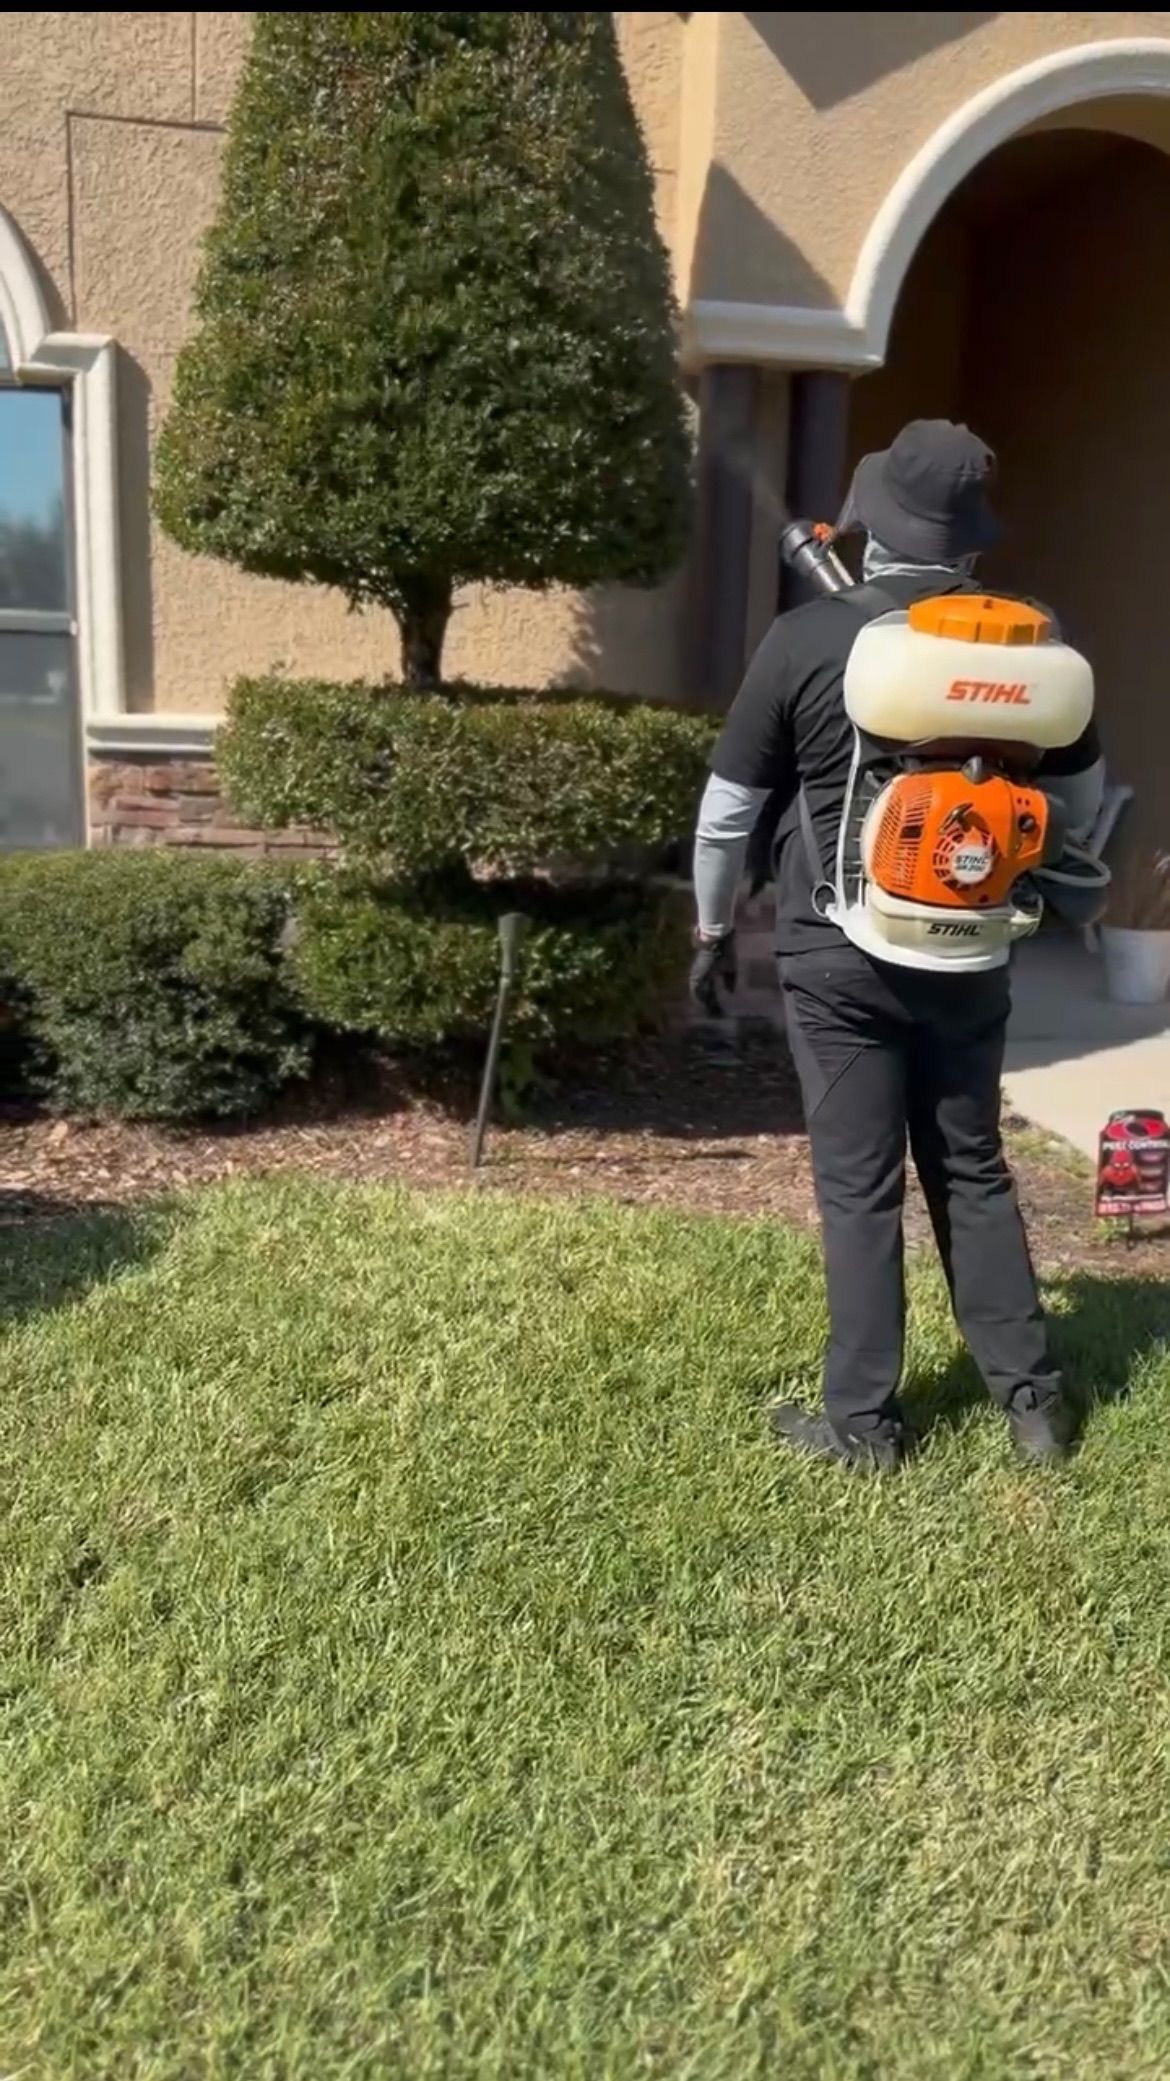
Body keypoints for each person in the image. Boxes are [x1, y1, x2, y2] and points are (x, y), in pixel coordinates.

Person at [690, 419, 1104, 1471]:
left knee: (860, 1182)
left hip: (838, 951)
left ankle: (863, 1425)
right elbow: (1080, 797)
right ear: (969, 542)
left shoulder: (807, 637)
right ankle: (1034, 1404)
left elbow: (728, 809)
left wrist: (707, 921)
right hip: (971, 947)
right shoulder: (1031, 641)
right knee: (971, 1164)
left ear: (871, 519)